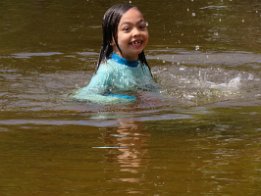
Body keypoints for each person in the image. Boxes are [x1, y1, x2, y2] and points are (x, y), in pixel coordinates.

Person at [73, 3, 159, 104]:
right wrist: (125, 100)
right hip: (110, 117)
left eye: (141, 26)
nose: (137, 32)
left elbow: (153, 91)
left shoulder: (143, 68)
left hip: (133, 114)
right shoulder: (108, 70)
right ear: (111, 39)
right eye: (127, 29)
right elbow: (83, 96)